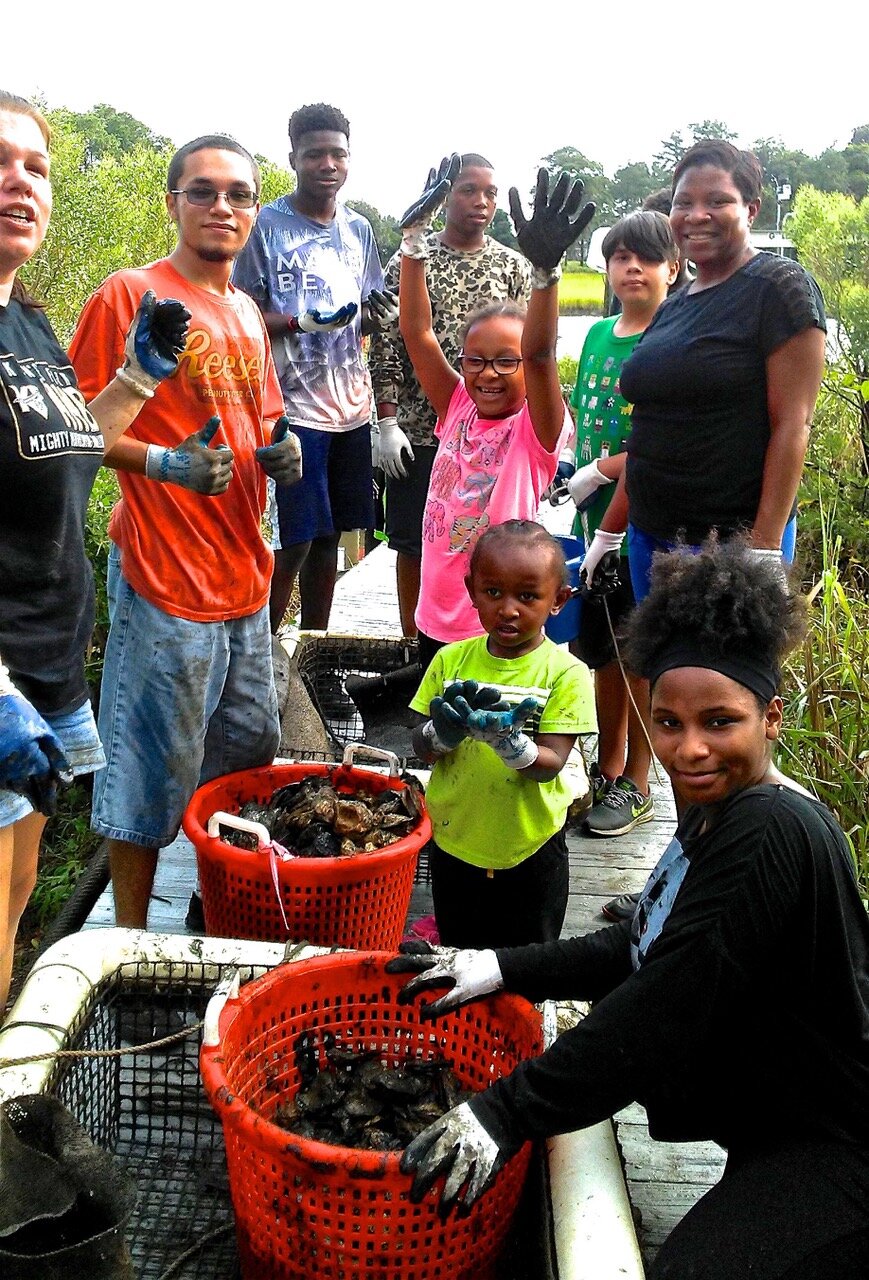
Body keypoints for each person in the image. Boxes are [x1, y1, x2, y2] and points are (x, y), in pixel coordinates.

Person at [391, 539, 869, 1279]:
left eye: (719, 722)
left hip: (839, 1146)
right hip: (770, 1134)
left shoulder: (770, 828)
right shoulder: (713, 814)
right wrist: (492, 966)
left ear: (770, 718)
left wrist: (505, 1112)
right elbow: (634, 947)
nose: (689, 750)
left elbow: (665, 999)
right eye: (668, 723)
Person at [69, 133, 294, 929]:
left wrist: (283, 448)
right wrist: (162, 465)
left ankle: (215, 902)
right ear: (173, 203)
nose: (220, 206)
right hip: (163, 575)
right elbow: (79, 434)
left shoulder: (244, 312)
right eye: (202, 191)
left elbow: (260, 416)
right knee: (145, 774)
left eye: (238, 193)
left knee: (243, 755)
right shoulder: (130, 293)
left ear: (255, 213)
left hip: (243, 576)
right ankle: (127, 937)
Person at [0, 91, 190, 1004]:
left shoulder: (27, 321)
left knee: (14, 899)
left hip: (44, 668)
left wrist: (136, 379)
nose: (20, 182)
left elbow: (64, 449)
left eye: (35, 166)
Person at [581, 139, 826, 602]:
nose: (697, 215)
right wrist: (610, 532)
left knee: (722, 676)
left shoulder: (778, 289)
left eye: (718, 201)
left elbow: (793, 424)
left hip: (731, 543)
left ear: (751, 210)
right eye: (684, 202)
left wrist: (766, 548)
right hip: (651, 535)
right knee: (661, 674)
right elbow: (651, 430)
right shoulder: (676, 304)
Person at [398, 158, 591, 669]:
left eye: (507, 362)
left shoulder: (536, 430)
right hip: (435, 614)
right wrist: (414, 243)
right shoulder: (458, 405)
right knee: (440, 740)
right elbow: (418, 333)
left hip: (497, 624)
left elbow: (542, 354)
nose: (488, 374)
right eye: (476, 361)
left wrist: (545, 274)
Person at [232, 102, 389, 633]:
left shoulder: (360, 230)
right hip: (290, 407)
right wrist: (301, 323)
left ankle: (315, 651)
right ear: (293, 158)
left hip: (351, 407)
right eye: (315, 154)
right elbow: (241, 311)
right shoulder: (266, 227)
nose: (328, 164)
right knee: (293, 539)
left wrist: (372, 314)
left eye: (337, 154)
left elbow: (367, 311)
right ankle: (265, 651)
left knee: (332, 536)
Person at [410, 522, 595, 948]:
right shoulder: (450, 661)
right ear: (472, 590)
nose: (508, 609)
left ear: (558, 601)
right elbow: (419, 748)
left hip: (531, 851)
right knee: (458, 953)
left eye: (527, 596)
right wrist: (441, 734)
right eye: (493, 593)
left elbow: (550, 766)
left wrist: (508, 743)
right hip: (454, 843)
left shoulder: (567, 674)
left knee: (526, 964)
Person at [369, 154, 531, 637]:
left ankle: (476, 636)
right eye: (467, 190)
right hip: (425, 426)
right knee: (415, 542)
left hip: (496, 437)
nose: (480, 202)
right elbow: (395, 341)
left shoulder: (513, 265)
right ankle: (413, 640)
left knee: (487, 548)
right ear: (446, 196)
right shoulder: (410, 263)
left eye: (490, 193)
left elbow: (534, 352)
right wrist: (386, 420)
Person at [565, 211, 679, 838]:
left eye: (646, 258)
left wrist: (604, 470)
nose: (631, 268)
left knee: (638, 653)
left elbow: (660, 439)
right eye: (620, 257)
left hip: (638, 520)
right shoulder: (598, 335)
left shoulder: (670, 339)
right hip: (590, 521)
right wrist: (574, 466)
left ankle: (637, 778)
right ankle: (607, 766)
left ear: (673, 268)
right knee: (602, 650)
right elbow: (583, 414)